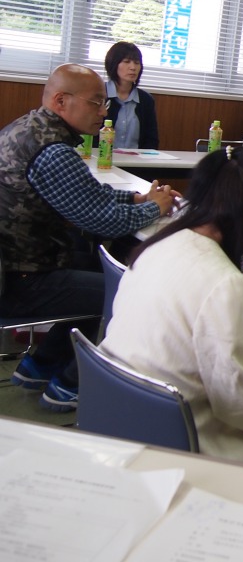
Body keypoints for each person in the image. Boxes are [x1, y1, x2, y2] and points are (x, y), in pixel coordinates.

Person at [101, 146, 243, 471]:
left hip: (121, 413)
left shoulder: (159, 244)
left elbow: (184, 365)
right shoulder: (226, 284)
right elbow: (236, 407)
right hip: (177, 439)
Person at [0, 64, 178, 412]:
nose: (103, 112)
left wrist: (137, 199)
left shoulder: (28, 128)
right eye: (96, 102)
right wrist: (155, 208)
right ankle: (71, 384)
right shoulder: (52, 151)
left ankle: (41, 365)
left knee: (98, 268)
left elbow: (87, 196)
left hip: (19, 264)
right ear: (61, 101)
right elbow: (103, 220)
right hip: (21, 281)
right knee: (127, 290)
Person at [103, 41, 159, 149]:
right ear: (113, 64)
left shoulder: (146, 100)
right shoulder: (99, 94)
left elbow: (152, 140)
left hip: (137, 158)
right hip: (102, 157)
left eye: (137, 63)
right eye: (126, 61)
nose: (133, 67)